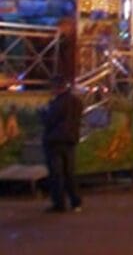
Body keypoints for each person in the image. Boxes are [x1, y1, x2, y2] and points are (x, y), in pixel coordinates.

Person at [41, 75, 83, 214]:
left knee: (56, 173)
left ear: (56, 87)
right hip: (70, 140)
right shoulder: (76, 101)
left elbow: (49, 121)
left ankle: (59, 203)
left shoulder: (57, 103)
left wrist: (42, 114)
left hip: (54, 140)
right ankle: (75, 201)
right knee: (69, 172)